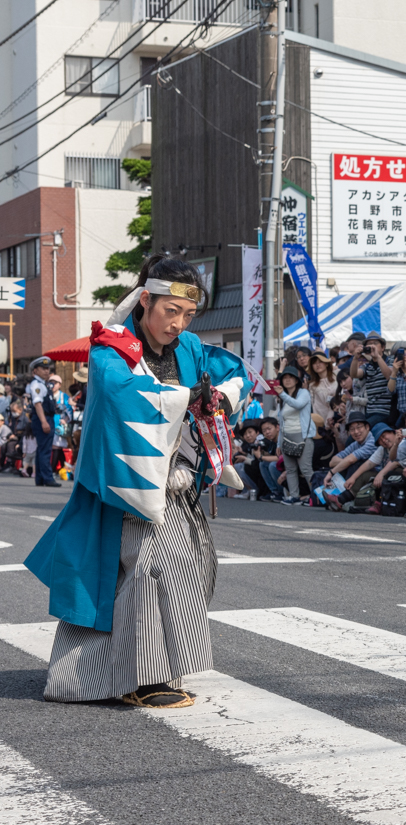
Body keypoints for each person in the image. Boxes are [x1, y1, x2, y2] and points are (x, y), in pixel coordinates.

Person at [26, 255, 251, 708]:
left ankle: (127, 672)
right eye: (171, 311)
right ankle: (143, 678)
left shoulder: (188, 348)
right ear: (145, 299)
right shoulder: (112, 347)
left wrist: (220, 396)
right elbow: (121, 397)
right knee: (146, 571)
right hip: (125, 486)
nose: (179, 323)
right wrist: (189, 396)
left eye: (188, 315)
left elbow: (231, 371)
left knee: (178, 571)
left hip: (173, 484)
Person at [277, 365, 315, 505]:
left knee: (305, 469)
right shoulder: (283, 398)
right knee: (291, 469)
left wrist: (282, 394)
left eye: (290, 378)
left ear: (296, 380)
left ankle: (315, 496)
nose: (287, 380)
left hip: (303, 436)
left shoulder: (303, 392)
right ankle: (294, 497)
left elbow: (298, 405)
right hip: (287, 437)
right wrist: (278, 443)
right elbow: (281, 422)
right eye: (285, 378)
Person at [24, 356, 57, 486]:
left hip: (45, 417)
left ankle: (40, 478)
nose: (46, 371)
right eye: (43, 368)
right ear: (35, 370)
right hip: (43, 418)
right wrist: (44, 422)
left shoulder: (42, 383)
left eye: (47, 368)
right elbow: (37, 404)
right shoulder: (37, 384)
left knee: (42, 449)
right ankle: (48, 478)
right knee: (45, 450)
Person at [351, 331, 394, 427]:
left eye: (375, 343)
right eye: (369, 344)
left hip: (384, 411)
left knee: (361, 433)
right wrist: (355, 358)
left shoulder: (391, 360)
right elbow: (354, 374)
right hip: (369, 410)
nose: (372, 346)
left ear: (382, 347)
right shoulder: (367, 366)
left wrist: (378, 357)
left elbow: (389, 376)